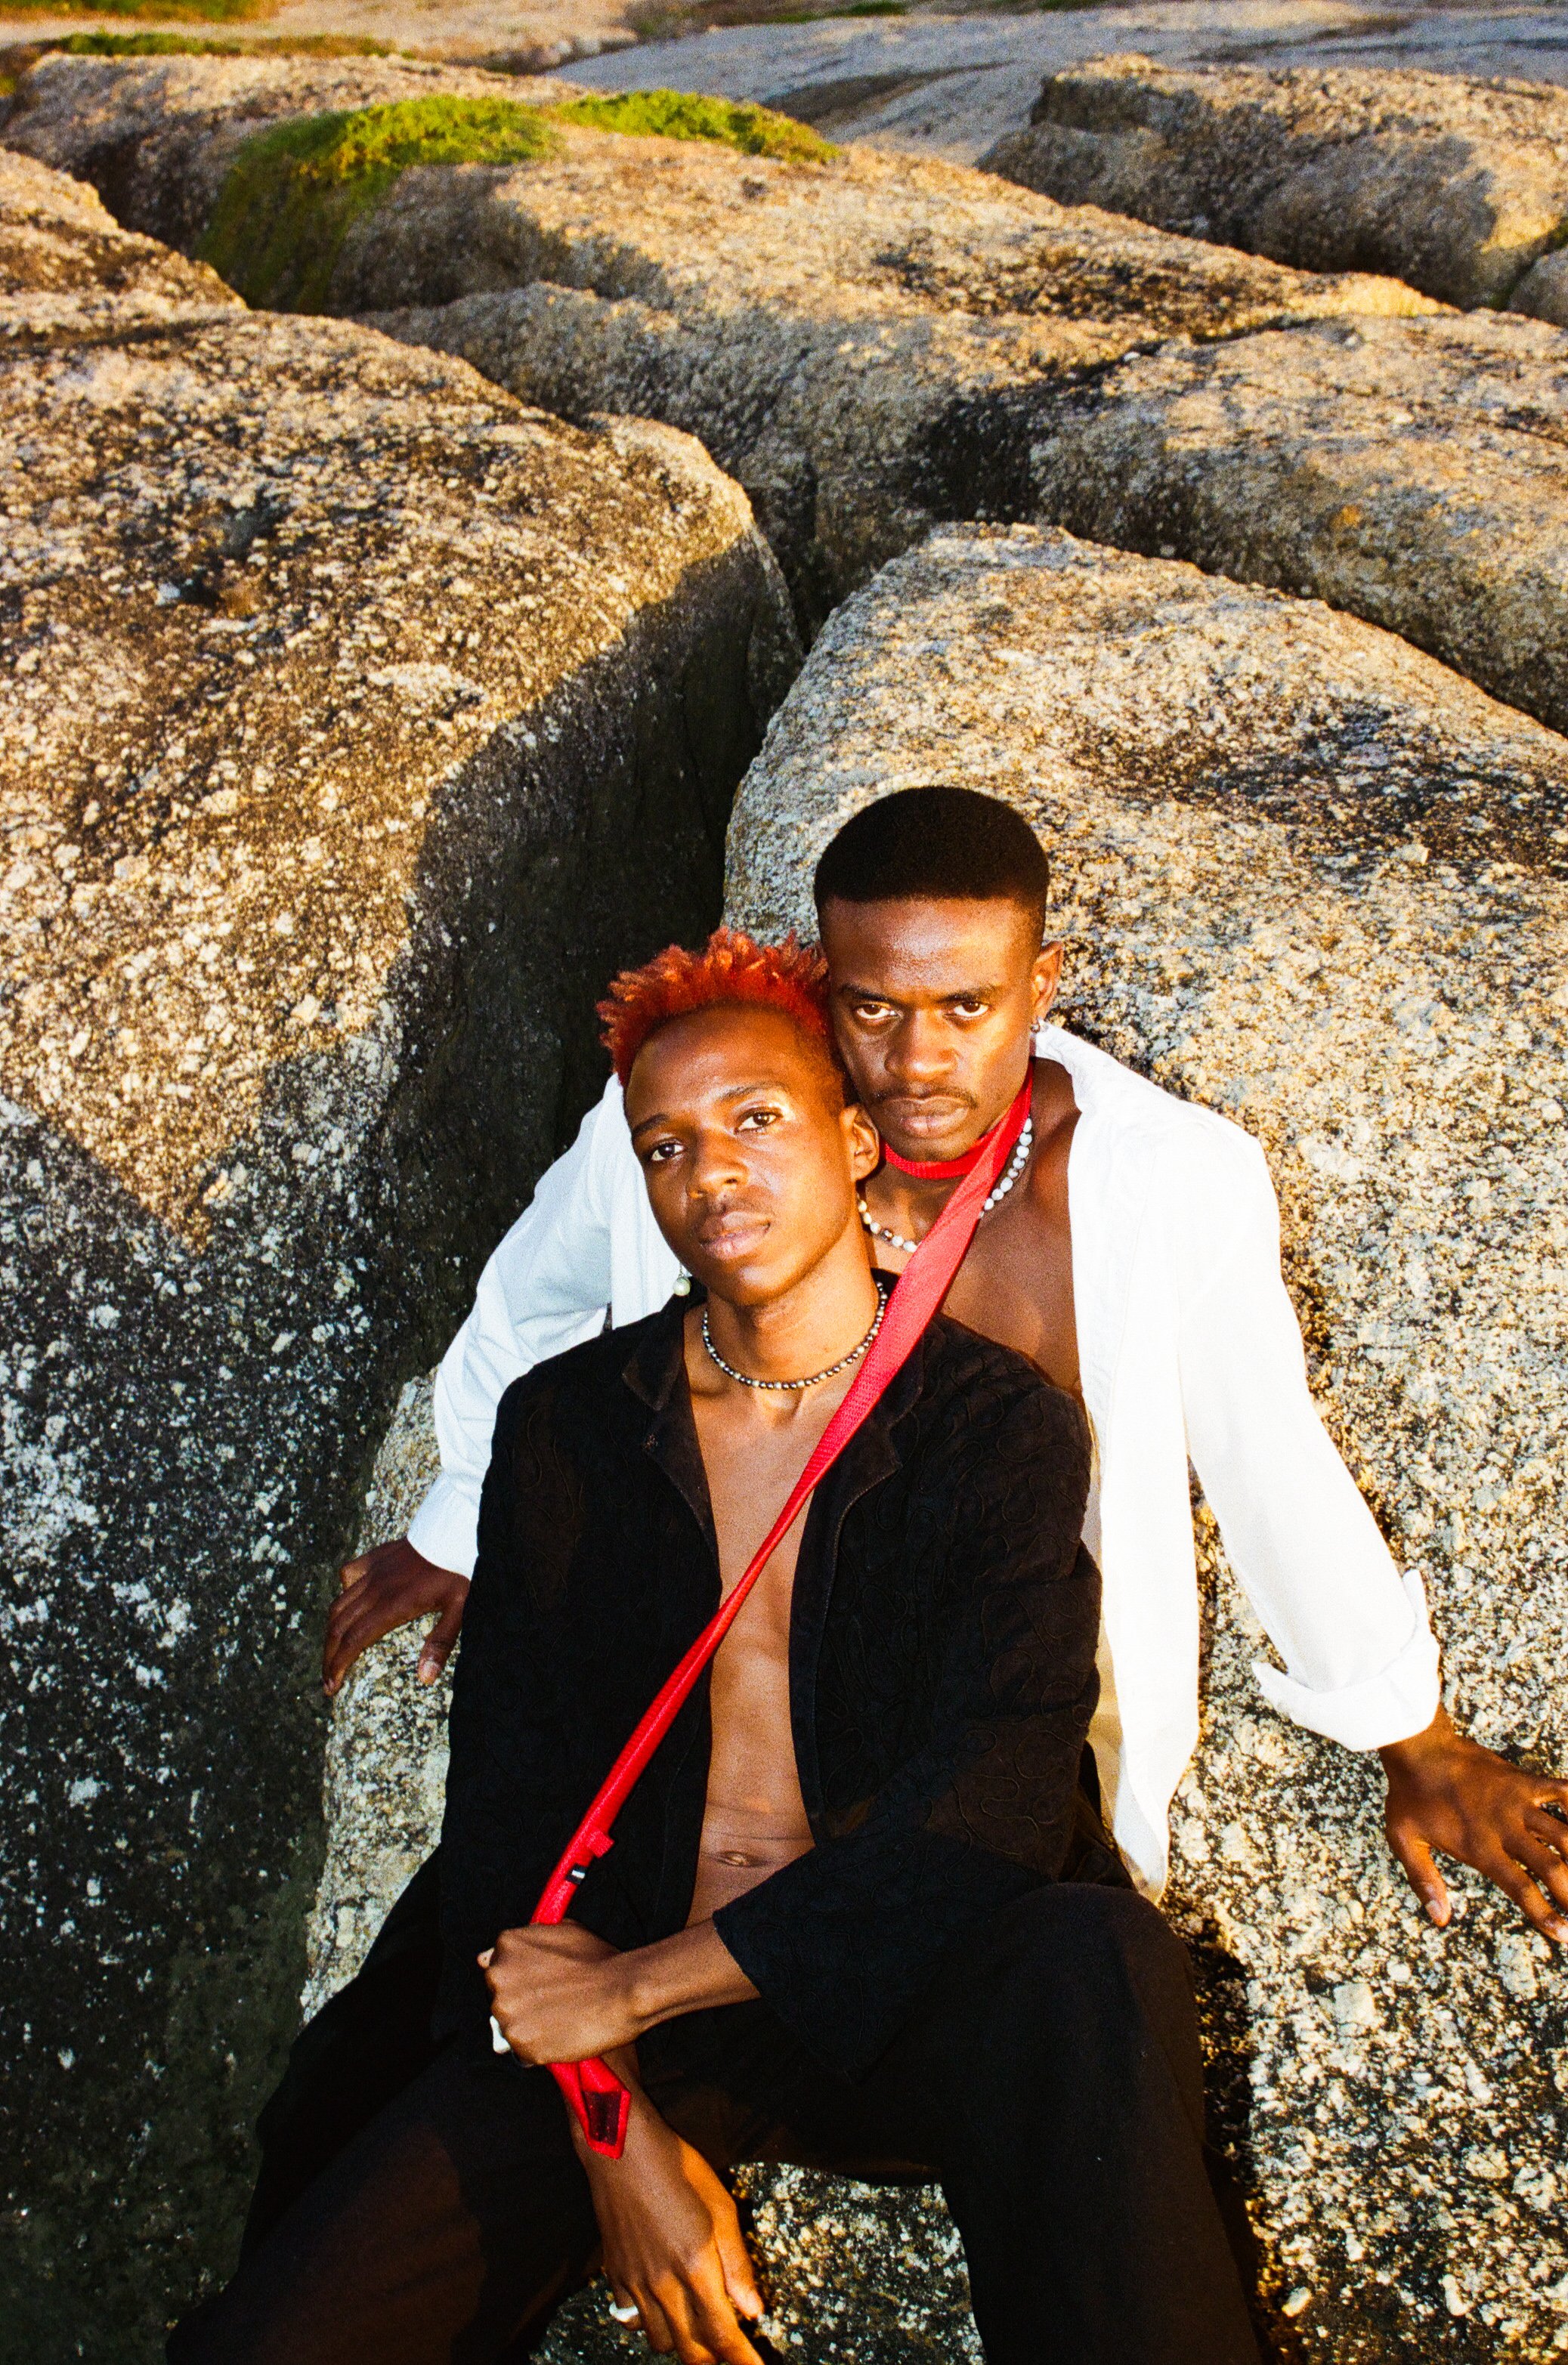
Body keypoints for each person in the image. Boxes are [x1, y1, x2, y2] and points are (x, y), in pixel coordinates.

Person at [176, 938, 1259, 2364]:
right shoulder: (569, 1425)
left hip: (893, 1993)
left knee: (1094, 1955)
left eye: (757, 1118)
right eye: (668, 1145)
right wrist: (615, 2131)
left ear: (856, 1140)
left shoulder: (995, 1425)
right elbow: (510, 1808)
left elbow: (991, 1800)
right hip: (624, 1983)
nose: (713, 1172)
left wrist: (631, 1988)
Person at [329, 787, 1568, 1941]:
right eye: (874, 1009)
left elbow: (1266, 1449)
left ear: (1042, 984)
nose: (919, 1063)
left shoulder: (1163, 1180)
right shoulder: (707, 1113)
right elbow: (534, 1289)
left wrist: (1414, 1733)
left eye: (968, 1007)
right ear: (825, 984)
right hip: (737, 1677)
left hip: (995, 1692)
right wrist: (461, 1519)